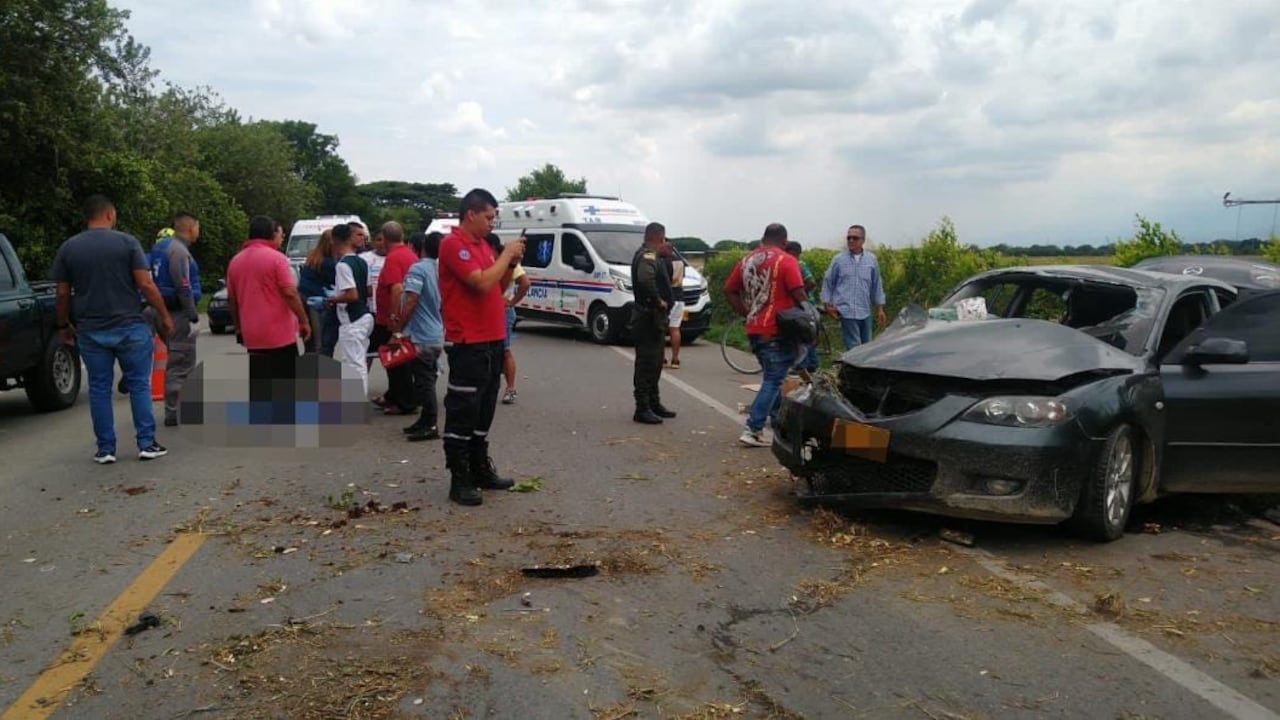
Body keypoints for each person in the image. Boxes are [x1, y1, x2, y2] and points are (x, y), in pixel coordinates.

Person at [51, 194, 174, 463]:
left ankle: (106, 449)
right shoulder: (127, 243)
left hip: (91, 330)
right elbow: (145, 284)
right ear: (109, 214)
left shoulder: (69, 248)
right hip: (130, 326)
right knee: (140, 385)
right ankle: (146, 443)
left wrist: (63, 325)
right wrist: (163, 315)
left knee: (99, 388)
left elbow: (61, 294)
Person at [437, 188, 525, 505]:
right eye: (488, 217)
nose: (492, 224)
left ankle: (479, 467)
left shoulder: (485, 247)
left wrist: (510, 264)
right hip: (468, 341)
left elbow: (497, 288)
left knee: (485, 408)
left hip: (492, 338)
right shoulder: (454, 245)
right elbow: (479, 283)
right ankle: (459, 477)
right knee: (463, 410)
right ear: (471, 213)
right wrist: (504, 256)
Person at [724, 223, 809, 447]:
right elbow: (798, 292)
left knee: (773, 377)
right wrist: (810, 316)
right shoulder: (786, 260)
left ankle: (778, 423)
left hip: (755, 330)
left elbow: (729, 290)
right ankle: (753, 429)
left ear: (763, 238)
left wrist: (747, 313)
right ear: (785, 241)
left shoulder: (747, 260)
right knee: (774, 380)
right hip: (777, 331)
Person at [226, 215, 311, 424]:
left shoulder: (236, 260)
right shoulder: (276, 258)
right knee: (285, 371)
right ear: (271, 234)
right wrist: (303, 320)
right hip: (278, 329)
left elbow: (232, 299)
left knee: (259, 372)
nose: (282, 238)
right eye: (281, 234)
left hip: (251, 330)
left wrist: (238, 327)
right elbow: (290, 293)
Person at [146, 212, 203, 426]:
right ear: (190, 228)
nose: (198, 231)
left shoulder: (160, 247)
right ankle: (175, 411)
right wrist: (191, 313)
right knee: (181, 361)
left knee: (176, 358)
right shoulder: (178, 252)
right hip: (176, 312)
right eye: (197, 227)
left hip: (160, 309)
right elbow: (183, 285)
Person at [397, 231, 445, 441]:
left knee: (424, 381)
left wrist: (399, 327)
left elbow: (411, 300)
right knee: (427, 379)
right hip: (435, 331)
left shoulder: (418, 269)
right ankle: (425, 421)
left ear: (422, 246)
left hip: (421, 335)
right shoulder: (439, 270)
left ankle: (430, 424)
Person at [630, 222, 676, 424]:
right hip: (648, 316)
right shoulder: (648, 255)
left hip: (653, 318)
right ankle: (642, 407)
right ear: (660, 238)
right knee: (646, 363)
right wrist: (658, 300)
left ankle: (654, 403)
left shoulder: (654, 255)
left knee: (656, 362)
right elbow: (645, 279)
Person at [370, 222, 417, 415]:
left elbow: (396, 289)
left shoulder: (394, 258)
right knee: (398, 360)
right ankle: (394, 395)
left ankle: (404, 401)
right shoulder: (410, 255)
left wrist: (393, 318)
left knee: (395, 361)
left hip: (391, 319)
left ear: (385, 238)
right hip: (406, 316)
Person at [821, 224, 887, 350]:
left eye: (855, 238)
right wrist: (827, 304)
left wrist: (880, 308)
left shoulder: (871, 260)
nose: (851, 241)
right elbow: (828, 282)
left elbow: (876, 284)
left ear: (863, 240)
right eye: (849, 238)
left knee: (867, 345)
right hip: (846, 310)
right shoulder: (838, 260)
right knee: (854, 347)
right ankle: (855, 367)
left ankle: (862, 368)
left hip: (864, 310)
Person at [326, 224, 374, 396]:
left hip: (352, 318)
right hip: (365, 315)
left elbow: (352, 295)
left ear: (335, 240)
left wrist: (332, 298)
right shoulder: (362, 262)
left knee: (354, 362)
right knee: (355, 359)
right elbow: (368, 291)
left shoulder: (342, 265)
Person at [486, 232, 530, 405]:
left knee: (504, 350)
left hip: (503, 311)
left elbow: (525, 283)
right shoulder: (497, 261)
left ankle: (510, 388)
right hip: (495, 310)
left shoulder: (505, 261)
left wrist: (511, 302)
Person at [298, 228, 338, 356]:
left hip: (304, 300)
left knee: (310, 343)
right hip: (317, 304)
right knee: (321, 344)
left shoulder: (313, 257)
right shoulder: (329, 263)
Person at [786, 241, 820, 374]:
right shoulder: (794, 264)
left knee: (803, 336)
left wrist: (799, 295)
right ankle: (810, 365)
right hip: (802, 304)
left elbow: (811, 282)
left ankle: (805, 365)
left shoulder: (799, 265)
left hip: (804, 304)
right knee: (805, 336)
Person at [661, 242, 686, 370]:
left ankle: (663, 358)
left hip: (668, 299)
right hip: (680, 298)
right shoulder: (681, 262)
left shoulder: (664, 262)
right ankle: (675, 359)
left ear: (667, 249)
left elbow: (663, 280)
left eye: (662, 247)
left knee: (662, 329)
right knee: (675, 329)